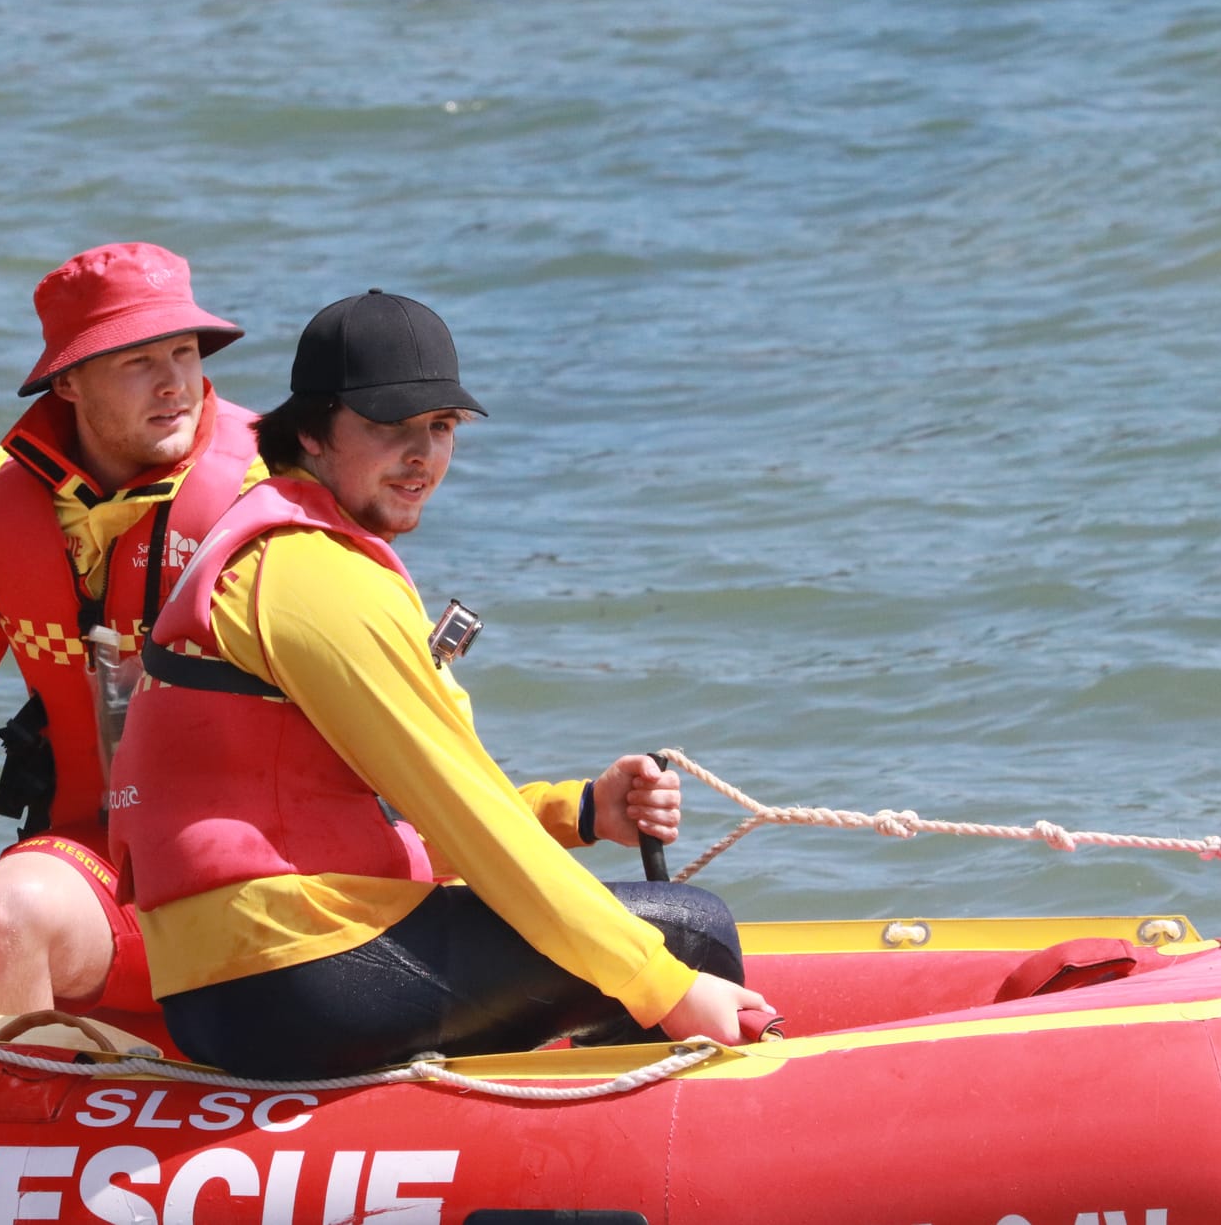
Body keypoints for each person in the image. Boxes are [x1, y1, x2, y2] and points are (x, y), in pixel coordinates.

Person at [107, 288, 769, 1078]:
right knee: (689, 931)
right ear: (313, 429)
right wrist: (666, 985)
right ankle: (616, 1161)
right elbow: (466, 818)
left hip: (236, 981)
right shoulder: (313, 576)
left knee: (643, 940)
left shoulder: (281, 543)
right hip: (290, 973)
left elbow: (421, 805)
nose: (423, 454)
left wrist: (583, 810)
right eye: (392, 427)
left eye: (442, 427)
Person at [0, 242, 265, 1015]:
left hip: (273, 879)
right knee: (3, 912)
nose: (175, 383)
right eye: (139, 361)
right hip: (94, 873)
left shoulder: (270, 487)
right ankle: (1, 1116)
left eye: (185, 350)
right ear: (68, 380)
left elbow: (392, 704)